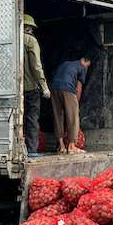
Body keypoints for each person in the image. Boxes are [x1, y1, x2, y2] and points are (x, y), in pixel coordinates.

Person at [50, 56, 91, 154]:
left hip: (54, 88)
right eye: (87, 66)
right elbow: (79, 88)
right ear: (85, 61)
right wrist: (76, 105)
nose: (87, 68)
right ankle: (72, 146)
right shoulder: (82, 67)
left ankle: (61, 146)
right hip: (67, 88)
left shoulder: (66, 63)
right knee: (73, 117)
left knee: (58, 116)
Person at [22, 14, 50, 157]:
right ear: (29, 27)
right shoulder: (30, 41)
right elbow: (36, 66)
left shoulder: (12, 40)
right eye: (31, 28)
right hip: (31, 87)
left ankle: (19, 147)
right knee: (32, 118)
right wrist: (44, 87)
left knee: (18, 119)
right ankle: (31, 150)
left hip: (16, 89)